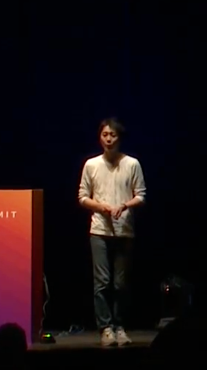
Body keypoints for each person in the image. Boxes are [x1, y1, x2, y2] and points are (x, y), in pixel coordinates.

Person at [77, 117, 147, 347]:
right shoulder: (91, 164)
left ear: (119, 138)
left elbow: (141, 195)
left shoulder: (132, 164)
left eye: (113, 135)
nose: (108, 139)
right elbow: (83, 197)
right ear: (100, 137)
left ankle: (120, 327)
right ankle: (105, 328)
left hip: (124, 230)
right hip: (99, 229)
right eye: (105, 134)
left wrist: (124, 205)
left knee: (120, 283)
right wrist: (101, 207)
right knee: (102, 282)